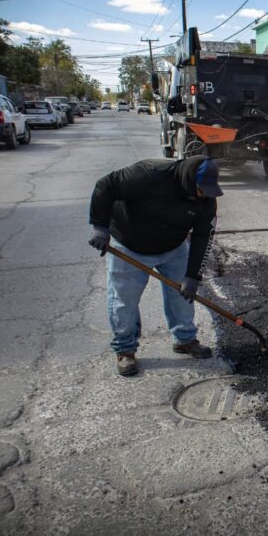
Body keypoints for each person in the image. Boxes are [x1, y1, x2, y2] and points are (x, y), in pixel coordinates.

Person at [88, 155, 221, 377]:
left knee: (183, 296)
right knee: (124, 301)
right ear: (189, 180)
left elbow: (203, 237)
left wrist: (193, 276)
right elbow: (106, 185)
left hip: (174, 248)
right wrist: (99, 226)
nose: (203, 195)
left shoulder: (206, 199)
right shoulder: (149, 174)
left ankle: (184, 340)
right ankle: (125, 349)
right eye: (200, 189)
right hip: (129, 245)